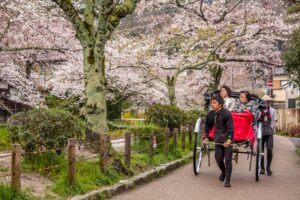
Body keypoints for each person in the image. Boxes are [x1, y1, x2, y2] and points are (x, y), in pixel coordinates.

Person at [204, 94, 234, 187]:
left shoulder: (226, 113)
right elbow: (207, 127)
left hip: (227, 139)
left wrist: (229, 140)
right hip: (218, 139)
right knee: (218, 158)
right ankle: (224, 172)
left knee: (228, 160)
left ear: (220, 104)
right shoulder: (210, 114)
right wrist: (206, 137)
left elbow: (230, 129)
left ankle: (228, 180)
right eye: (211, 103)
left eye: (214, 103)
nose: (212, 105)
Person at [260, 95, 276, 176]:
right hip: (261, 132)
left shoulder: (272, 111)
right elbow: (256, 120)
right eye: (264, 101)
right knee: (261, 151)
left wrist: (271, 128)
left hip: (269, 132)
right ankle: (262, 168)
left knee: (270, 149)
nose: (266, 103)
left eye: (268, 101)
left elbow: (273, 121)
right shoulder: (259, 110)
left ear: (269, 102)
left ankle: (268, 168)